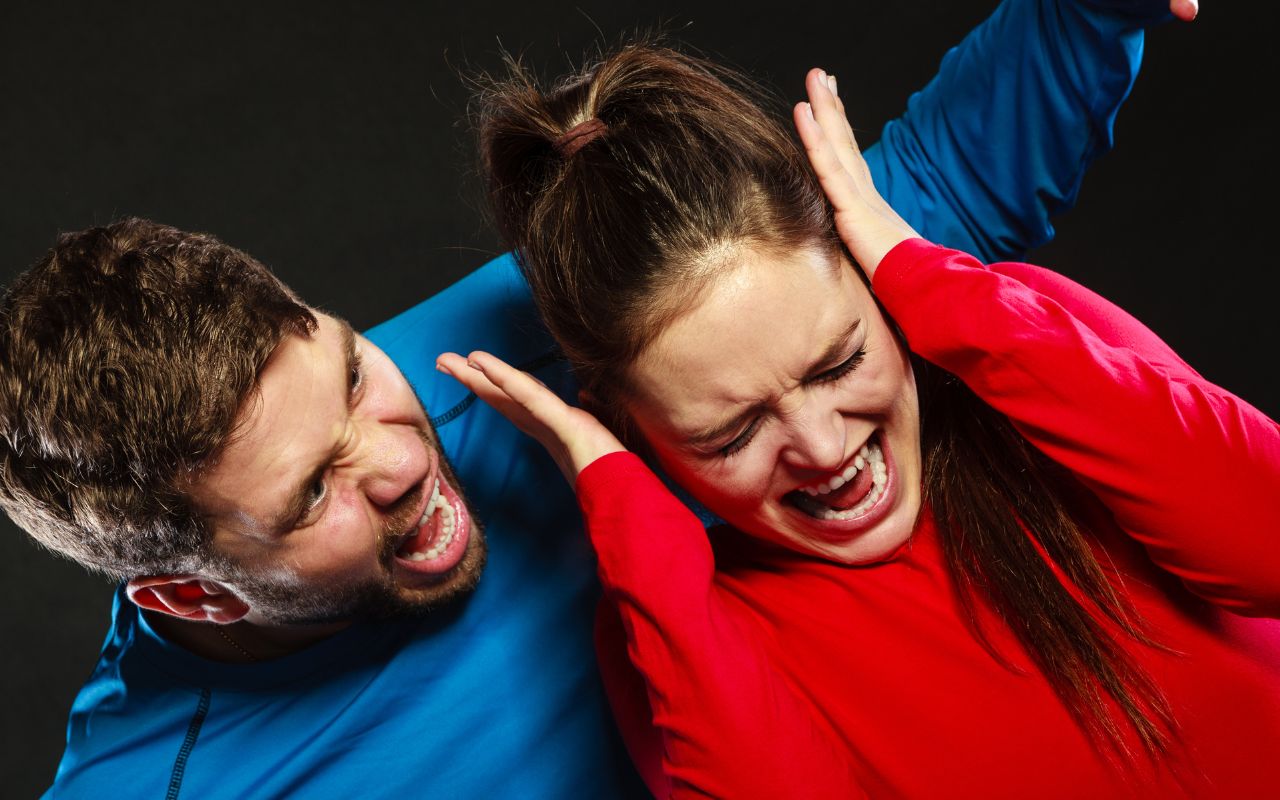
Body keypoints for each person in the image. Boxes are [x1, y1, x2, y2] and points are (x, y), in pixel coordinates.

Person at [1, 1, 1193, 796]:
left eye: (356, 371)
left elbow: (897, 220)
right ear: (183, 591)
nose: (401, 458)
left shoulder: (488, 370)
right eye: (315, 489)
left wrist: (1083, 11)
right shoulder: (157, 780)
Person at [444, 14, 1279, 800]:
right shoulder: (679, 623)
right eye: (732, 432)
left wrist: (928, 280)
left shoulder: (1024, 346)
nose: (820, 444)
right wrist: (621, 501)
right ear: (636, 431)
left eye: (839, 360)